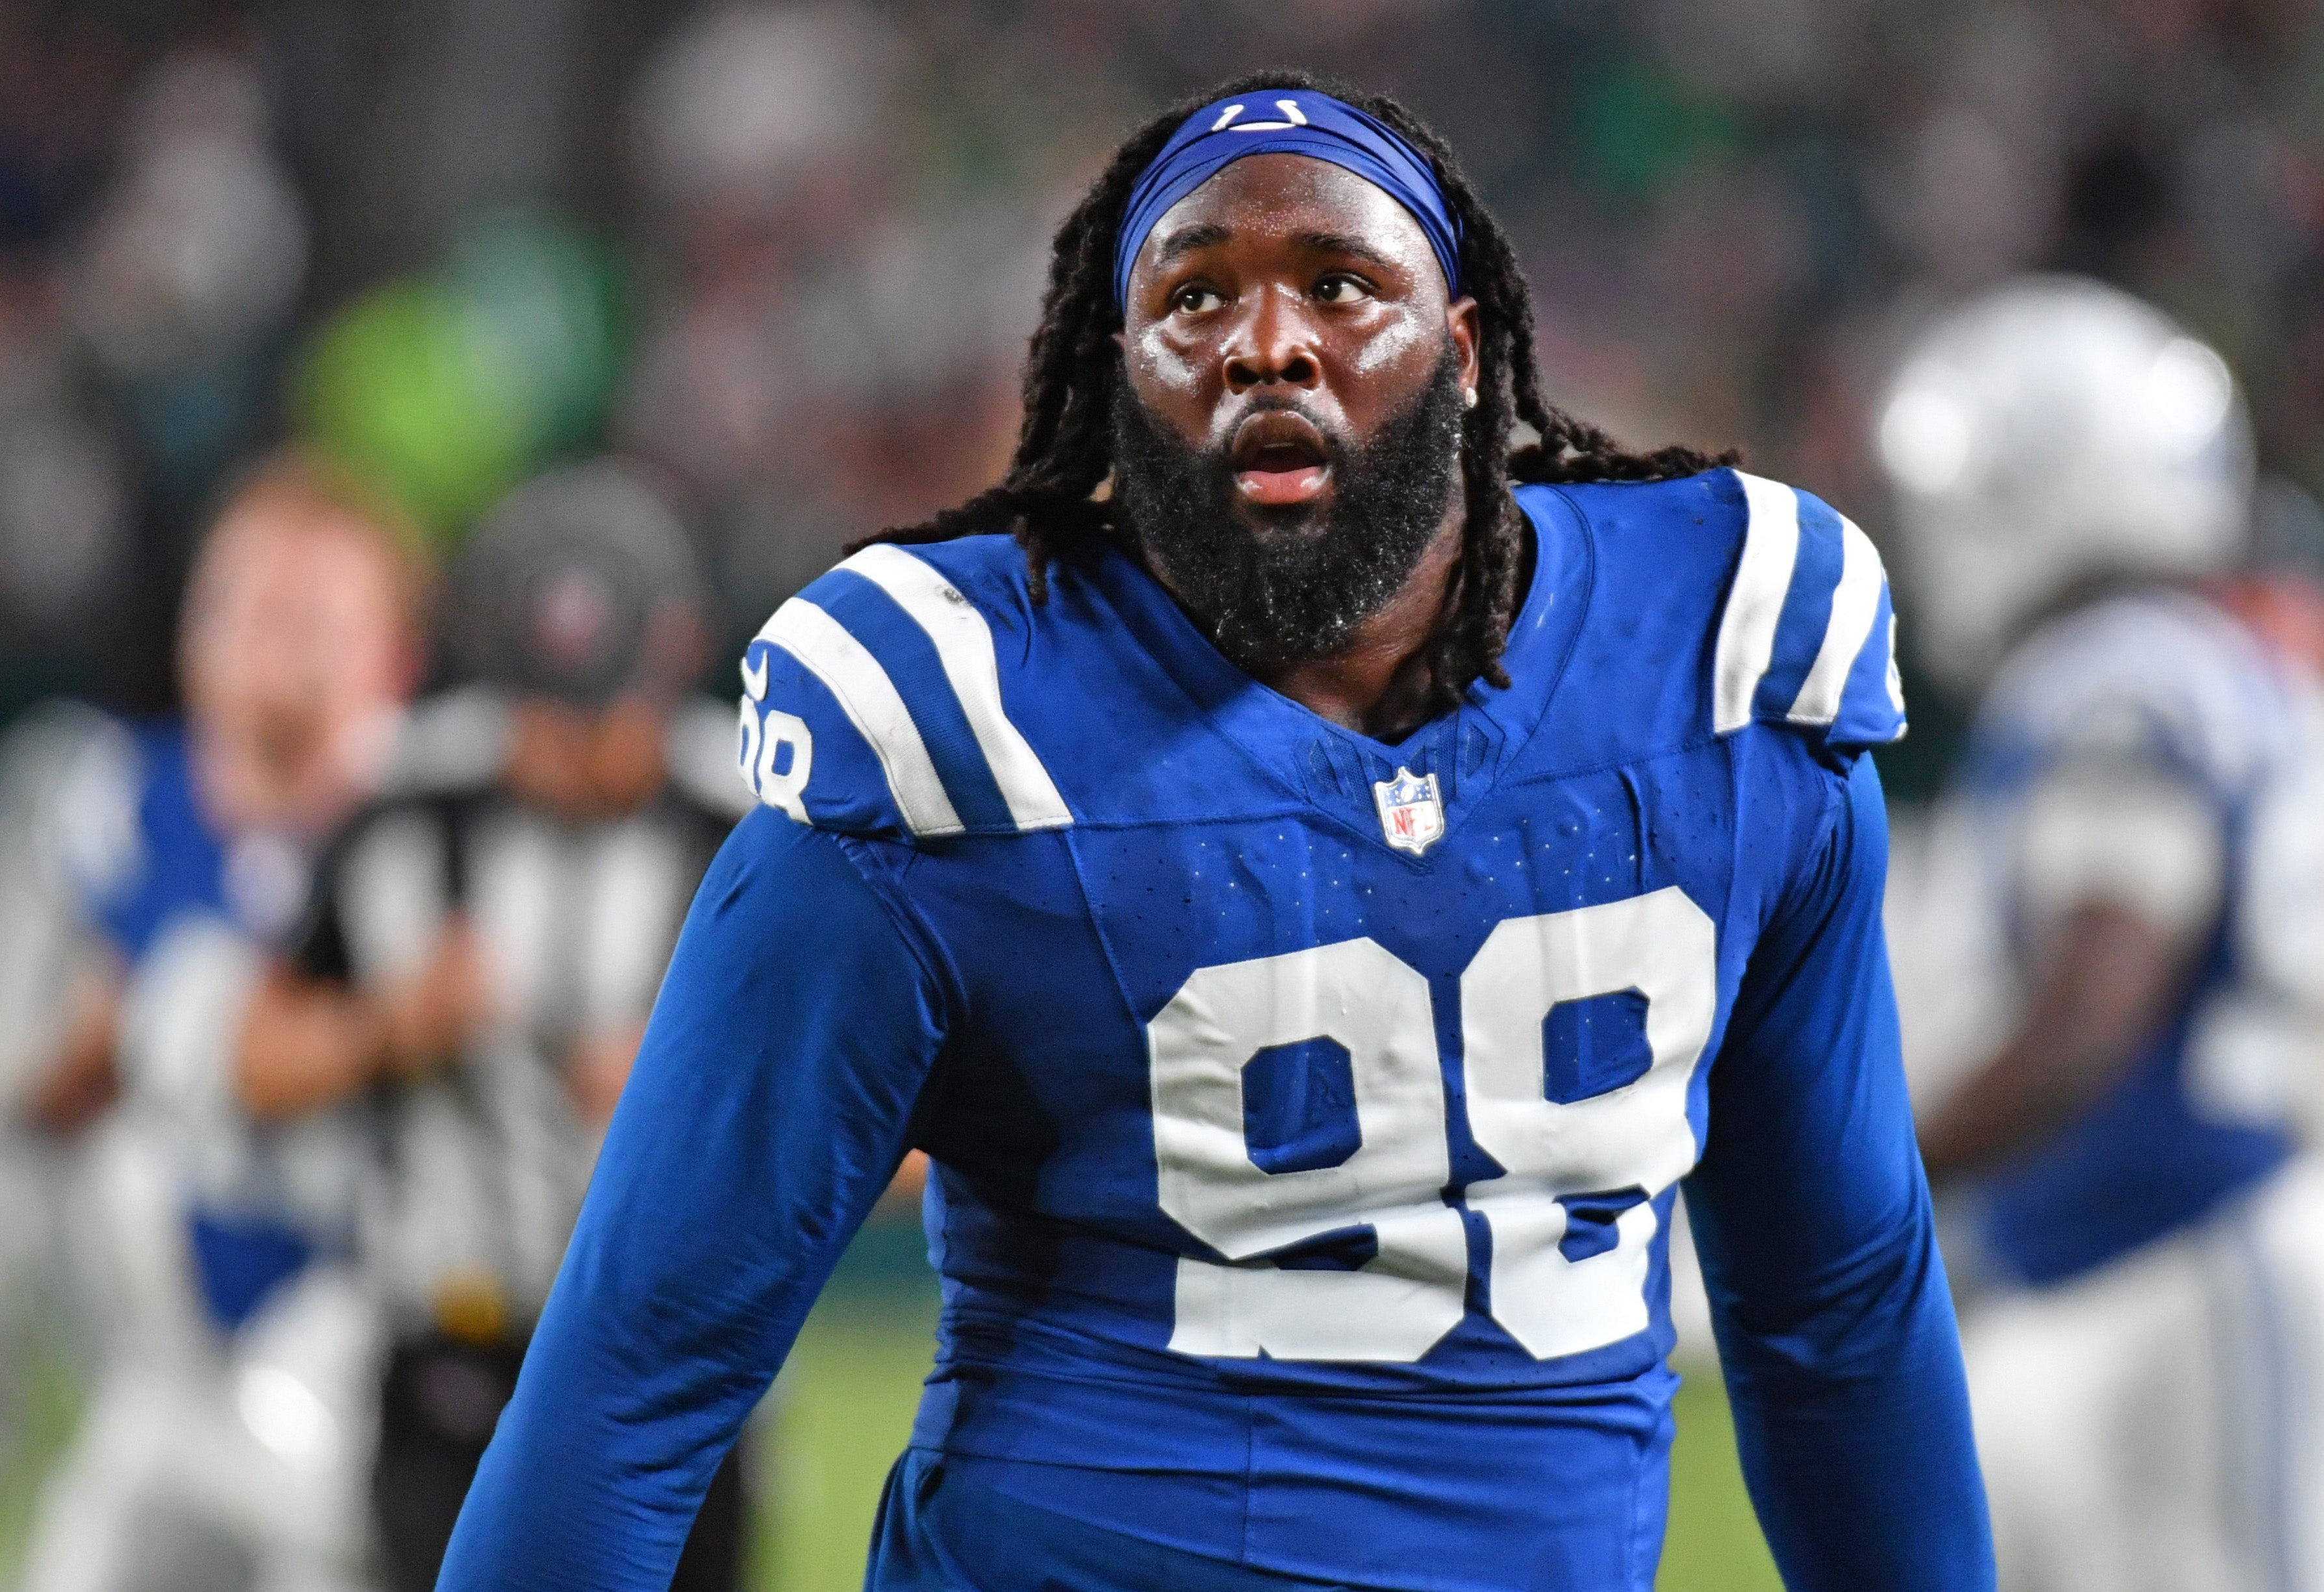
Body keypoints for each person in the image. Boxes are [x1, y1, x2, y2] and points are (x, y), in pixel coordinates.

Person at [440, 73, 1993, 1591]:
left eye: (1340, 283)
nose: (1269, 343)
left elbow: (1838, 1310)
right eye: (1195, 300)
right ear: (1120, 380)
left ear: (1462, 355)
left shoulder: (1719, 669)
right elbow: (637, 1382)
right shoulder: (952, 735)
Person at [235, 459, 756, 1592]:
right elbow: (254, 1058)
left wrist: (706, 1101)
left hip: (676, 1373)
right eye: (543, 707)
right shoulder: (401, 802)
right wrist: (390, 1025)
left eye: (602, 707)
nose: (570, 745)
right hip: (447, 1353)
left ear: (669, 659)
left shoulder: (752, 821)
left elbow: (914, 1126)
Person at [1887, 277, 2324, 1591]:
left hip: (2181, 1247)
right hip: (2149, 1257)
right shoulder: (2194, 657)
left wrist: (1863, 1179)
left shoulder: (2119, 671)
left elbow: (2090, 1011)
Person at [0, 451, 426, 1592]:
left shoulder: (433, 826)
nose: (267, 641)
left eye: (307, 613)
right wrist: (98, 1051)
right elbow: (7, 1092)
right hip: (149, 1330)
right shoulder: (111, 799)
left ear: (391, 653)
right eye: (243, 602)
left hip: (371, 1339)